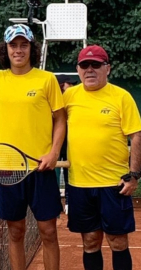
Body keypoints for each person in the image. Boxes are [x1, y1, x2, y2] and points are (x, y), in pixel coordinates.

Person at [0, 24, 66, 270]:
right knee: (15, 231)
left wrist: (53, 153)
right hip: (8, 169)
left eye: (23, 45)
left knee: (48, 231)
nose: (18, 50)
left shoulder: (47, 79)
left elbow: (60, 119)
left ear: (32, 48)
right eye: (13, 45)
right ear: (5, 49)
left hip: (41, 168)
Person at [63, 45, 141, 270]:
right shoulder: (68, 97)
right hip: (79, 184)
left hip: (114, 184)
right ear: (78, 70)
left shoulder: (121, 97)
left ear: (107, 68)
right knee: (90, 241)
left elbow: (137, 136)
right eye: (84, 65)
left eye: (96, 65)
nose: (90, 70)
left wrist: (134, 175)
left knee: (117, 241)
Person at [55, 74, 77, 213]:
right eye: (69, 84)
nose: (72, 86)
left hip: (71, 148)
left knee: (70, 177)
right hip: (55, 148)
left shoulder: (73, 103)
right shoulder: (53, 103)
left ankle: (70, 203)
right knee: (53, 178)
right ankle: (55, 205)